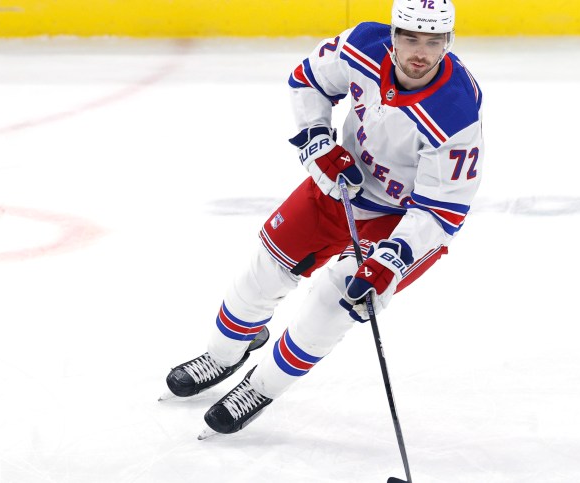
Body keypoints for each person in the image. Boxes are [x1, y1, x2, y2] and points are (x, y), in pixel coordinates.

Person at [164, 0, 484, 436]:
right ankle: (224, 355)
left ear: (449, 41)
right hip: (340, 185)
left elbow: (442, 207)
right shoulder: (362, 46)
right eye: (410, 37)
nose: (420, 52)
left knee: (333, 304)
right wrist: (317, 139)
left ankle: (261, 388)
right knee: (263, 274)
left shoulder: (455, 112)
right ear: (393, 33)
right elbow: (307, 80)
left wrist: (391, 260)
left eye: (433, 41)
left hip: (403, 222)